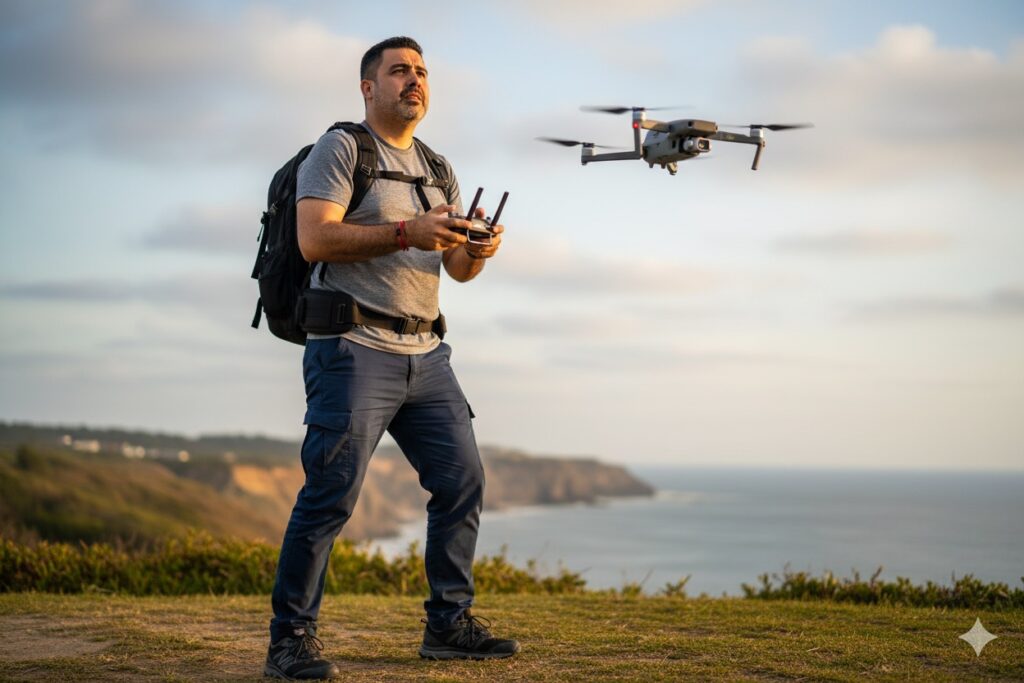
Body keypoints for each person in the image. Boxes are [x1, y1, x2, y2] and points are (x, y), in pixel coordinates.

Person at [264, 36, 519, 680]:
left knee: (462, 482)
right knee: (330, 495)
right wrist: (408, 231)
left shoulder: (437, 167)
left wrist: (476, 249)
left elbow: (455, 268)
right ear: (368, 87)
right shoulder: (341, 149)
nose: (415, 80)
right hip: (352, 349)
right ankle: (290, 640)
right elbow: (315, 238)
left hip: (427, 354)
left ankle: (448, 624)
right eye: (400, 70)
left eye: (422, 72)